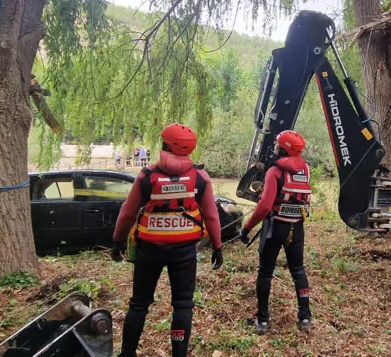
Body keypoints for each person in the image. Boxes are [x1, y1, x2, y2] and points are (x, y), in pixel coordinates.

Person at [111, 123, 224, 357]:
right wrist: (217, 246)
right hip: (184, 251)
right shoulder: (200, 178)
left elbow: (128, 213)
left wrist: (118, 241)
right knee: (183, 305)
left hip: (149, 250)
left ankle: (127, 353)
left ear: (164, 144)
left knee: (139, 304)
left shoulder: (147, 176)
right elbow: (211, 215)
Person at [238, 130, 312, 335]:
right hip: (296, 228)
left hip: (274, 228)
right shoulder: (305, 169)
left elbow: (264, 207)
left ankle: (262, 320)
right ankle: (305, 317)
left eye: (278, 144)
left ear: (283, 149)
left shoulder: (274, 172)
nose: (275, 147)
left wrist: (246, 228)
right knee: (298, 270)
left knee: (265, 272)